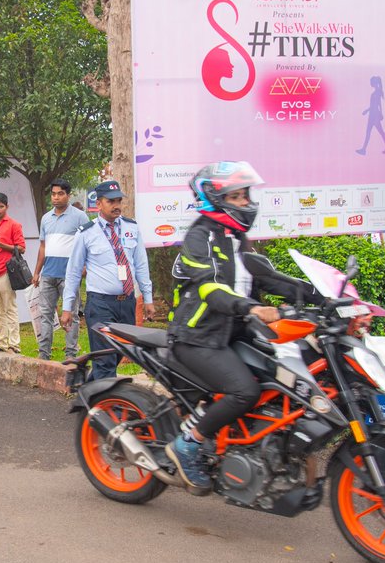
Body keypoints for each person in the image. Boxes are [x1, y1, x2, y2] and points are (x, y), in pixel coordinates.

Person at [163, 162, 302, 490]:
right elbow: (211, 289)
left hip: (230, 333)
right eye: (236, 197)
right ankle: (187, 445)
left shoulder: (237, 239)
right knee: (245, 390)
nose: (245, 203)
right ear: (215, 198)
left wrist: (327, 296)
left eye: (245, 196)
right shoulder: (200, 237)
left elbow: (269, 278)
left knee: (283, 377)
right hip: (196, 337)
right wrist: (253, 307)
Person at [61, 181, 154, 380]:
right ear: (99, 203)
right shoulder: (86, 233)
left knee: (120, 352)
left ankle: (88, 391)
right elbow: (74, 272)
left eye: (119, 200)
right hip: (100, 304)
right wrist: (67, 308)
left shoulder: (132, 228)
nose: (116, 205)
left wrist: (148, 298)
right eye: (111, 201)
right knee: (105, 359)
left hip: (126, 303)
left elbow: (141, 265)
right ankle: (108, 406)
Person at [33, 179, 86, 361]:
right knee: (45, 315)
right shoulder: (46, 218)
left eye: (60, 194)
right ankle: (44, 354)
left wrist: (85, 266)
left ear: (68, 195)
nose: (56, 197)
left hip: (69, 275)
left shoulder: (80, 217)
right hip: (48, 274)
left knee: (71, 315)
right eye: (53, 194)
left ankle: (71, 354)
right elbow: (42, 247)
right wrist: (37, 271)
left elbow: (89, 243)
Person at [0, 192, 25, 353]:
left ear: (7, 207)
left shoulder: (14, 225)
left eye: (1, 206)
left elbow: (21, 248)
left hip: (6, 270)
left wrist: (1, 245)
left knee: (9, 307)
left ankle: (14, 344)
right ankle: (1, 342)